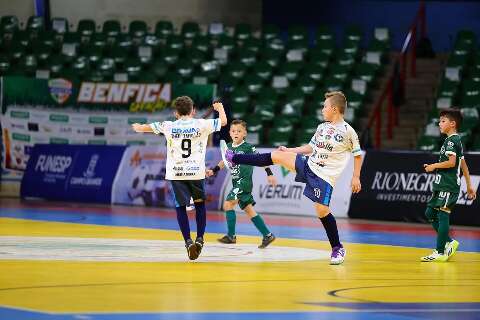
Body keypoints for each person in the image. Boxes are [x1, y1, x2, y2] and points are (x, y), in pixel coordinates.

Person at [222, 91, 363, 265]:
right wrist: (289, 150)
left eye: (325, 106)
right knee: (277, 156)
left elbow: (357, 155)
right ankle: (233, 157)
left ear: (334, 109)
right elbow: (310, 147)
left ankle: (337, 247)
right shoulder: (322, 127)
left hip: (324, 177)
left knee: (321, 211)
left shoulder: (348, 132)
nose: (322, 109)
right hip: (309, 165)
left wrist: (356, 177)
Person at [132, 96, 227, 260]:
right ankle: (200, 239)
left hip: (176, 173)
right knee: (199, 205)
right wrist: (219, 108)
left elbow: (143, 128)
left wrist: (138, 127)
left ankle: (188, 241)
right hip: (196, 172)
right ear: (193, 111)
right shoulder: (201, 124)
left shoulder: (168, 126)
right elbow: (223, 122)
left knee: (180, 207)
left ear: (176, 113)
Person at [206, 119, 278, 248]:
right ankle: (268, 235)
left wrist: (269, 173)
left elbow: (261, 160)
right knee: (249, 210)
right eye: (233, 131)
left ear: (244, 133)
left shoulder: (248, 147)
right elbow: (224, 161)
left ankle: (231, 236)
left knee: (228, 204)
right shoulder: (228, 147)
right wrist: (214, 170)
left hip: (243, 182)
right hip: (236, 182)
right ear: (229, 133)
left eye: (239, 131)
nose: (236, 133)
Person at [421, 108, 477, 262]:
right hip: (442, 184)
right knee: (429, 213)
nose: (439, 123)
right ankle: (450, 242)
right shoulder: (452, 140)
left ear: (452, 124)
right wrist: (469, 185)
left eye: (443, 121)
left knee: (442, 214)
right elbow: (463, 164)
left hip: (449, 185)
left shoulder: (453, 140)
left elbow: (452, 163)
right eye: (440, 121)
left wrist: (434, 166)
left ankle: (440, 252)